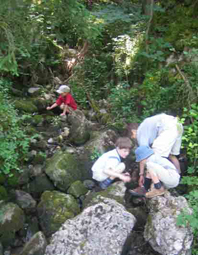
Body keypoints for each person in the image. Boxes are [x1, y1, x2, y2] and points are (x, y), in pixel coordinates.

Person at [130, 113, 183, 187]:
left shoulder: (140, 132)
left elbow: (143, 156)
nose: (134, 138)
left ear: (133, 131)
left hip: (168, 127)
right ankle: (179, 177)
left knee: (156, 154)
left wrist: (141, 174)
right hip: (178, 125)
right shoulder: (146, 125)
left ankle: (154, 186)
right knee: (172, 155)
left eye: (132, 136)